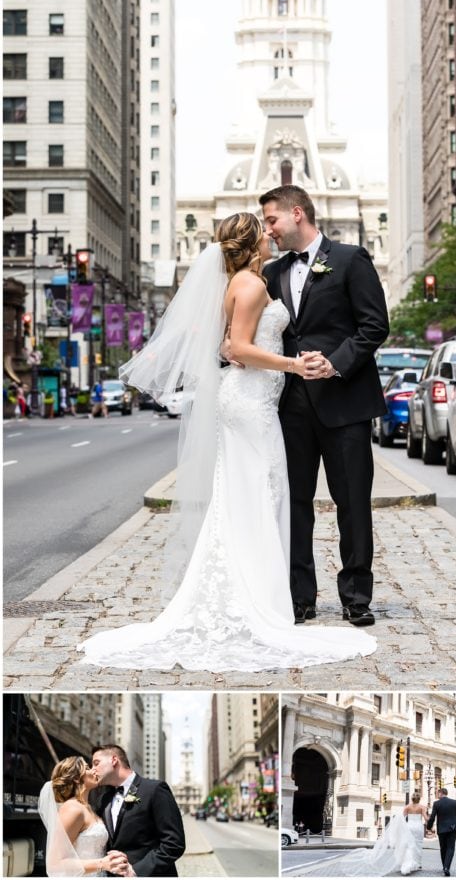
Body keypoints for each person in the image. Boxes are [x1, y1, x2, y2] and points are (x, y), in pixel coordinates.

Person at [78, 213, 376, 671]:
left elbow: (229, 343)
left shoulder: (255, 277)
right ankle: (275, 598)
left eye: (273, 222)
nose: (271, 233)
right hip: (257, 403)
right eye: (264, 229)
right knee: (267, 495)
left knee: (252, 495)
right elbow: (237, 347)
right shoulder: (257, 282)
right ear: (253, 242)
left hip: (270, 400)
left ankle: (272, 590)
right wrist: (294, 365)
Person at [260, 185, 389, 625]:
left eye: (272, 220)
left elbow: (375, 326)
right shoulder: (272, 272)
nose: (268, 230)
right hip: (290, 408)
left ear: (297, 214)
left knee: (353, 503)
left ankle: (356, 597)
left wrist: (334, 364)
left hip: (345, 404)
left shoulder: (352, 259)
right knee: (294, 505)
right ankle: (300, 598)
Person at [91, 745, 185, 878]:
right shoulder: (103, 800)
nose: (92, 770)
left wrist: (136, 871)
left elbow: (174, 843)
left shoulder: (155, 790)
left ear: (114, 760)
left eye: (96, 763)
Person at [38, 755, 129, 876]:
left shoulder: (89, 808)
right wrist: (102, 864)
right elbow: (55, 864)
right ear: (76, 778)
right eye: (87, 768)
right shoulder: (72, 809)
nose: (94, 770)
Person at [320, 793, 427, 877]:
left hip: (409, 827)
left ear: (412, 799)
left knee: (408, 846)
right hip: (418, 827)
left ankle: (408, 863)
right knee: (417, 845)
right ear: (418, 799)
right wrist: (430, 820)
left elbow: (401, 818)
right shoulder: (422, 807)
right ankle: (417, 864)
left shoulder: (407, 807)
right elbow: (426, 818)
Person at [426, 787, 456, 877]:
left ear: (440, 793)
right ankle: (446, 867)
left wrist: (428, 827)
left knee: (443, 849)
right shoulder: (454, 802)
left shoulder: (436, 803)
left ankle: (445, 867)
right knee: (450, 848)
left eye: (437, 793)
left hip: (442, 829)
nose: (437, 795)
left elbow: (432, 817)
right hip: (452, 829)